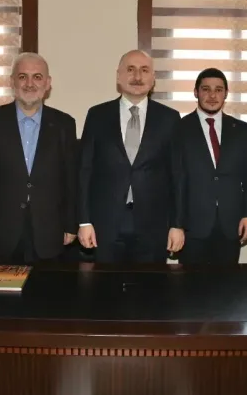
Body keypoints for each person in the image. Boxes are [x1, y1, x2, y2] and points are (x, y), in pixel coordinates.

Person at [0, 52, 78, 264]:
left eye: (37, 77)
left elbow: (71, 180)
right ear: (12, 82)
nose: (29, 83)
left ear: (48, 83)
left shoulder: (64, 124)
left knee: (46, 286)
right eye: (22, 77)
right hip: (2, 231)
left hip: (50, 232)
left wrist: (70, 224)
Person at [77, 49, 183, 263]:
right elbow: (84, 170)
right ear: (118, 76)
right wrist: (84, 221)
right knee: (106, 283)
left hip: (154, 225)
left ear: (153, 78)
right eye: (131, 69)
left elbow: (178, 175)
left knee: (150, 284)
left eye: (144, 70)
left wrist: (177, 224)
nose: (137, 76)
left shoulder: (170, 119)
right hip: (105, 224)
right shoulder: (97, 115)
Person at [172, 68, 247, 264]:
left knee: (227, 282)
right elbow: (174, 180)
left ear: (226, 94)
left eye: (218, 90)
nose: (212, 96)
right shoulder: (179, 129)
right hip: (192, 226)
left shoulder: (241, 130)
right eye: (206, 89)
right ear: (196, 92)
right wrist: (175, 224)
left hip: (231, 225)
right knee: (191, 282)